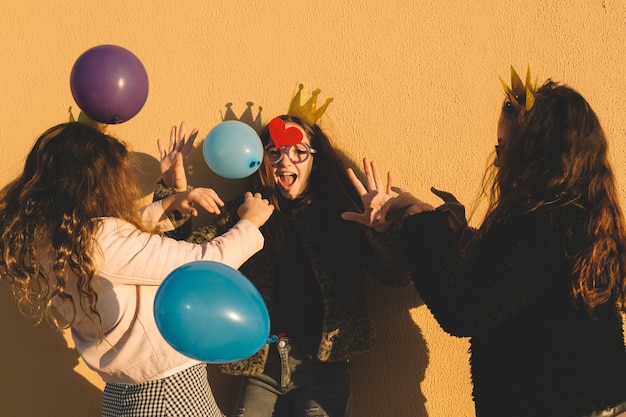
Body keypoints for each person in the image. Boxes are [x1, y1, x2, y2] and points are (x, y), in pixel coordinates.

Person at [346, 69, 626, 417]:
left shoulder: (540, 224)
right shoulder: (579, 216)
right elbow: (520, 285)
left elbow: (464, 310)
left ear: (535, 153)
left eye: (503, 146)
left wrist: (414, 213)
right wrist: (461, 236)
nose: (497, 158)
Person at [155, 85, 411, 417]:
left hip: (322, 363)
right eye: (274, 152)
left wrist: (381, 230)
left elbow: (396, 275)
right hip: (260, 365)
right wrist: (172, 195)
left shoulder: (343, 214)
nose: (284, 160)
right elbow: (179, 262)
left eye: (297, 152)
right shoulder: (246, 213)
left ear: (314, 161)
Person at [0, 122, 274, 417]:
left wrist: (167, 203)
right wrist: (249, 224)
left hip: (121, 395)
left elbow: (118, 249)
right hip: (168, 391)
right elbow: (205, 264)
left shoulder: (50, 241)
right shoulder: (101, 240)